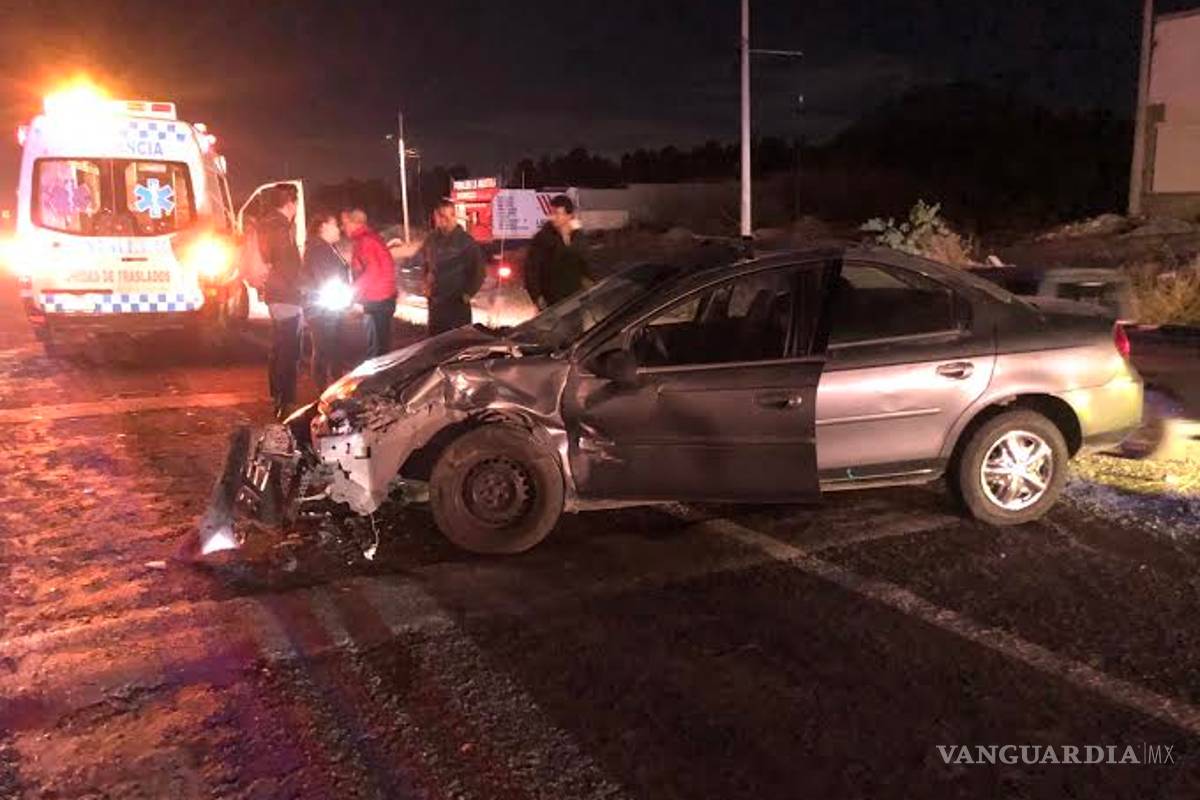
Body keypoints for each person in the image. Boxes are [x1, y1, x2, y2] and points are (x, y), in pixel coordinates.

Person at [258, 184, 303, 420]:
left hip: (275, 293)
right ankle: (287, 401)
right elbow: (290, 266)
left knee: (278, 347)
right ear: (290, 203)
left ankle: (276, 394)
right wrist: (304, 288)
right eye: (296, 203)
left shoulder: (265, 224)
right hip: (287, 295)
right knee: (289, 350)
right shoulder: (281, 228)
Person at [416, 200, 486, 335]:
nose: (441, 220)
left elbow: (478, 271)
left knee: (457, 343)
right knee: (435, 343)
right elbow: (425, 263)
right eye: (438, 216)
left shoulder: (466, 241)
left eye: (444, 216)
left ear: (453, 216)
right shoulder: (431, 239)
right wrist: (425, 283)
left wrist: (467, 294)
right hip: (436, 303)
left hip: (456, 303)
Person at [301, 212, 350, 390]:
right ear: (323, 227)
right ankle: (324, 391)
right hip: (323, 309)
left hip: (328, 307)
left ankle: (331, 387)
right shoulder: (318, 249)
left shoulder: (326, 248)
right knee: (325, 349)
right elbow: (326, 279)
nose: (339, 229)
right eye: (335, 224)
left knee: (330, 348)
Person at [344, 208, 398, 359]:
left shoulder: (365, 241)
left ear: (355, 223)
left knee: (376, 348)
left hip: (376, 300)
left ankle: (377, 380)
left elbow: (372, 271)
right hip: (383, 298)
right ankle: (382, 377)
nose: (344, 228)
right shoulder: (371, 238)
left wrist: (353, 293)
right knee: (381, 344)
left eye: (346, 223)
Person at [523, 194, 592, 309]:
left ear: (569, 215)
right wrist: (536, 296)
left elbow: (587, 262)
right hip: (550, 299)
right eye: (551, 213)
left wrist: (591, 284)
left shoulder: (578, 237)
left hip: (575, 297)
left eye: (557, 214)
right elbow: (531, 269)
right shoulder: (542, 238)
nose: (553, 217)